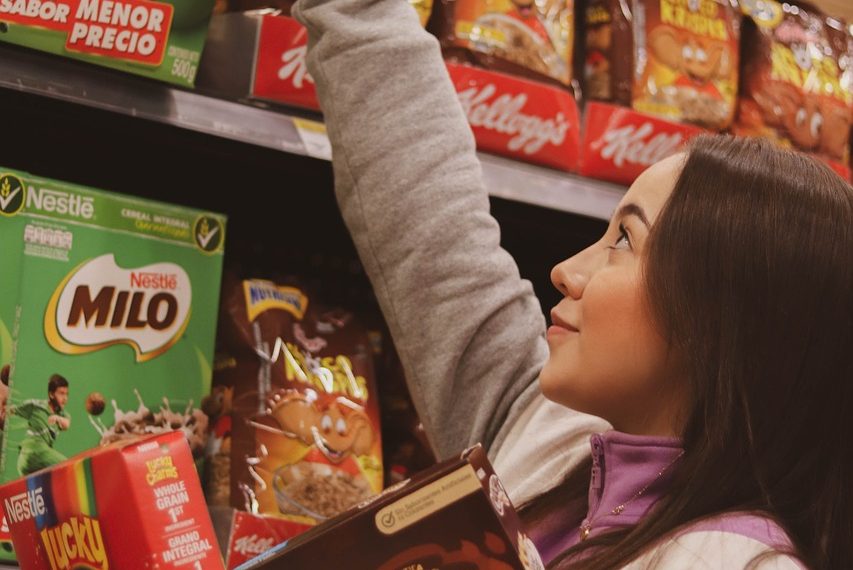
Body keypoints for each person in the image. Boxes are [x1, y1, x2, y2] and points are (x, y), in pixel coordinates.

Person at [290, 0, 853, 567]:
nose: (566, 271)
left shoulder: (736, 561)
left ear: (725, 322)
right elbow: (432, 235)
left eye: (625, 242)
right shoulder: (552, 440)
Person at [12, 374, 71, 475]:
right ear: (51, 394)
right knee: (69, 467)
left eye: (66, 394)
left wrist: (57, 418)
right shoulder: (36, 406)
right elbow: (12, 410)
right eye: (61, 393)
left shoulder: (63, 414)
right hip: (33, 451)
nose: (65, 398)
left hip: (26, 463)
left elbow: (66, 424)